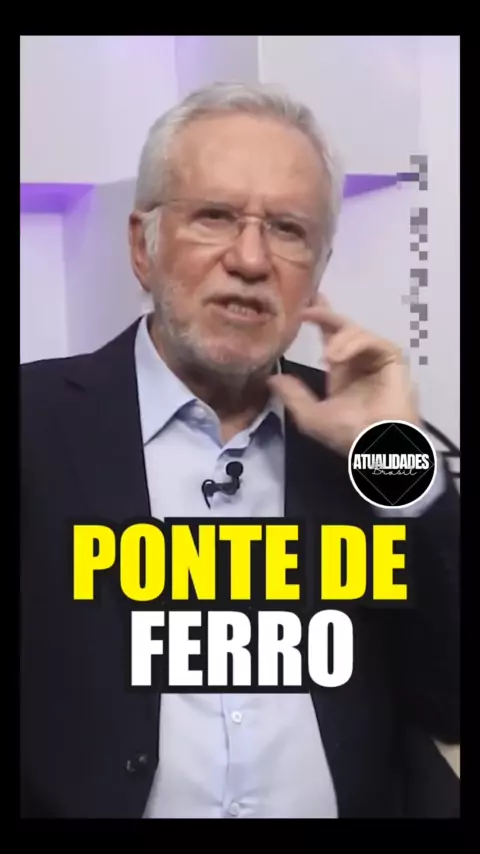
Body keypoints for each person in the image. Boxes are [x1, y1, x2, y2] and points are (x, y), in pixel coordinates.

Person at [20, 82, 459, 819]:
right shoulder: (34, 426)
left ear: (318, 270)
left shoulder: (364, 437)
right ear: (142, 246)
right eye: (215, 216)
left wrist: (394, 458)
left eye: (288, 229)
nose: (251, 260)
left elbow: (450, 695)